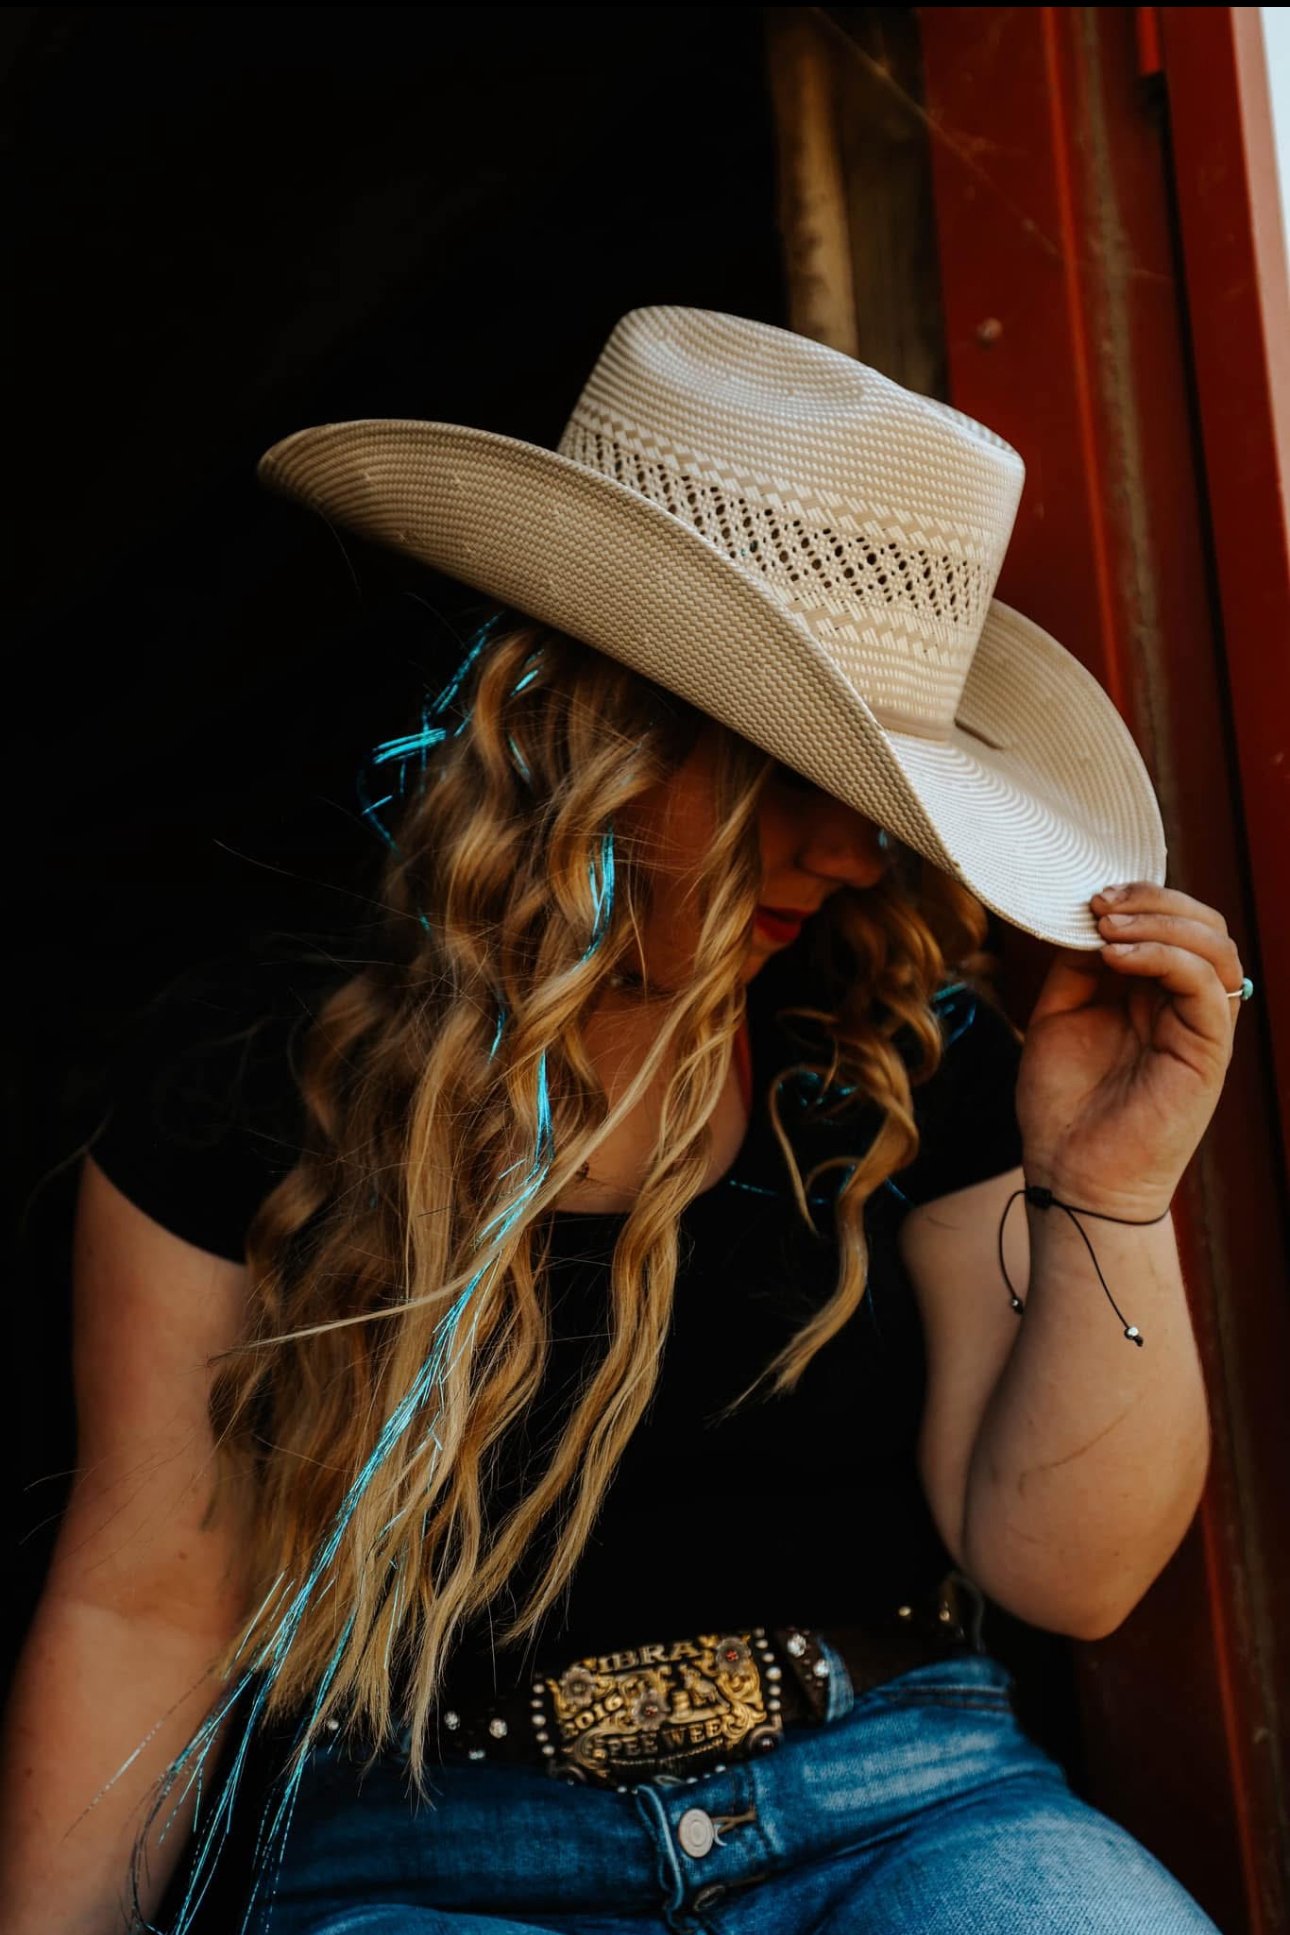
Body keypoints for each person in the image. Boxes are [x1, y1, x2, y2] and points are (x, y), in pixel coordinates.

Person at [0, 308, 1251, 1935]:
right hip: (431, 1852)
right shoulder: (254, 1075)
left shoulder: (888, 1053)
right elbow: (144, 1607)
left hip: (902, 1808)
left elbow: (1065, 1573)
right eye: (791, 773)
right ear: (590, 728)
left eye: (881, 801)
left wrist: (1113, 1188)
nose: (854, 857)